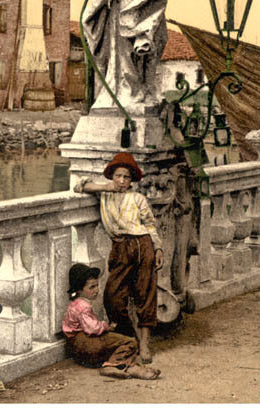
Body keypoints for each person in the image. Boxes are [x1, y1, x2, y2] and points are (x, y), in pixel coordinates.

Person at [73, 151, 163, 363]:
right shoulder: (105, 195)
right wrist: (106, 187)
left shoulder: (137, 198)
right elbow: (79, 186)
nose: (122, 181)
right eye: (118, 176)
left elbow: (150, 225)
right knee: (112, 296)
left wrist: (158, 248)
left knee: (145, 293)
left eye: (126, 177)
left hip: (142, 245)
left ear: (132, 180)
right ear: (112, 177)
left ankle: (144, 344)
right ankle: (130, 338)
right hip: (120, 247)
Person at [62, 263, 160, 380]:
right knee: (130, 342)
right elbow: (93, 329)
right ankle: (113, 366)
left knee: (114, 345)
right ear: (79, 289)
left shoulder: (74, 304)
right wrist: (106, 326)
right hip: (84, 343)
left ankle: (130, 368)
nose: (96, 290)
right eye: (91, 287)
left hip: (77, 349)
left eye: (97, 286)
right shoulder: (83, 306)